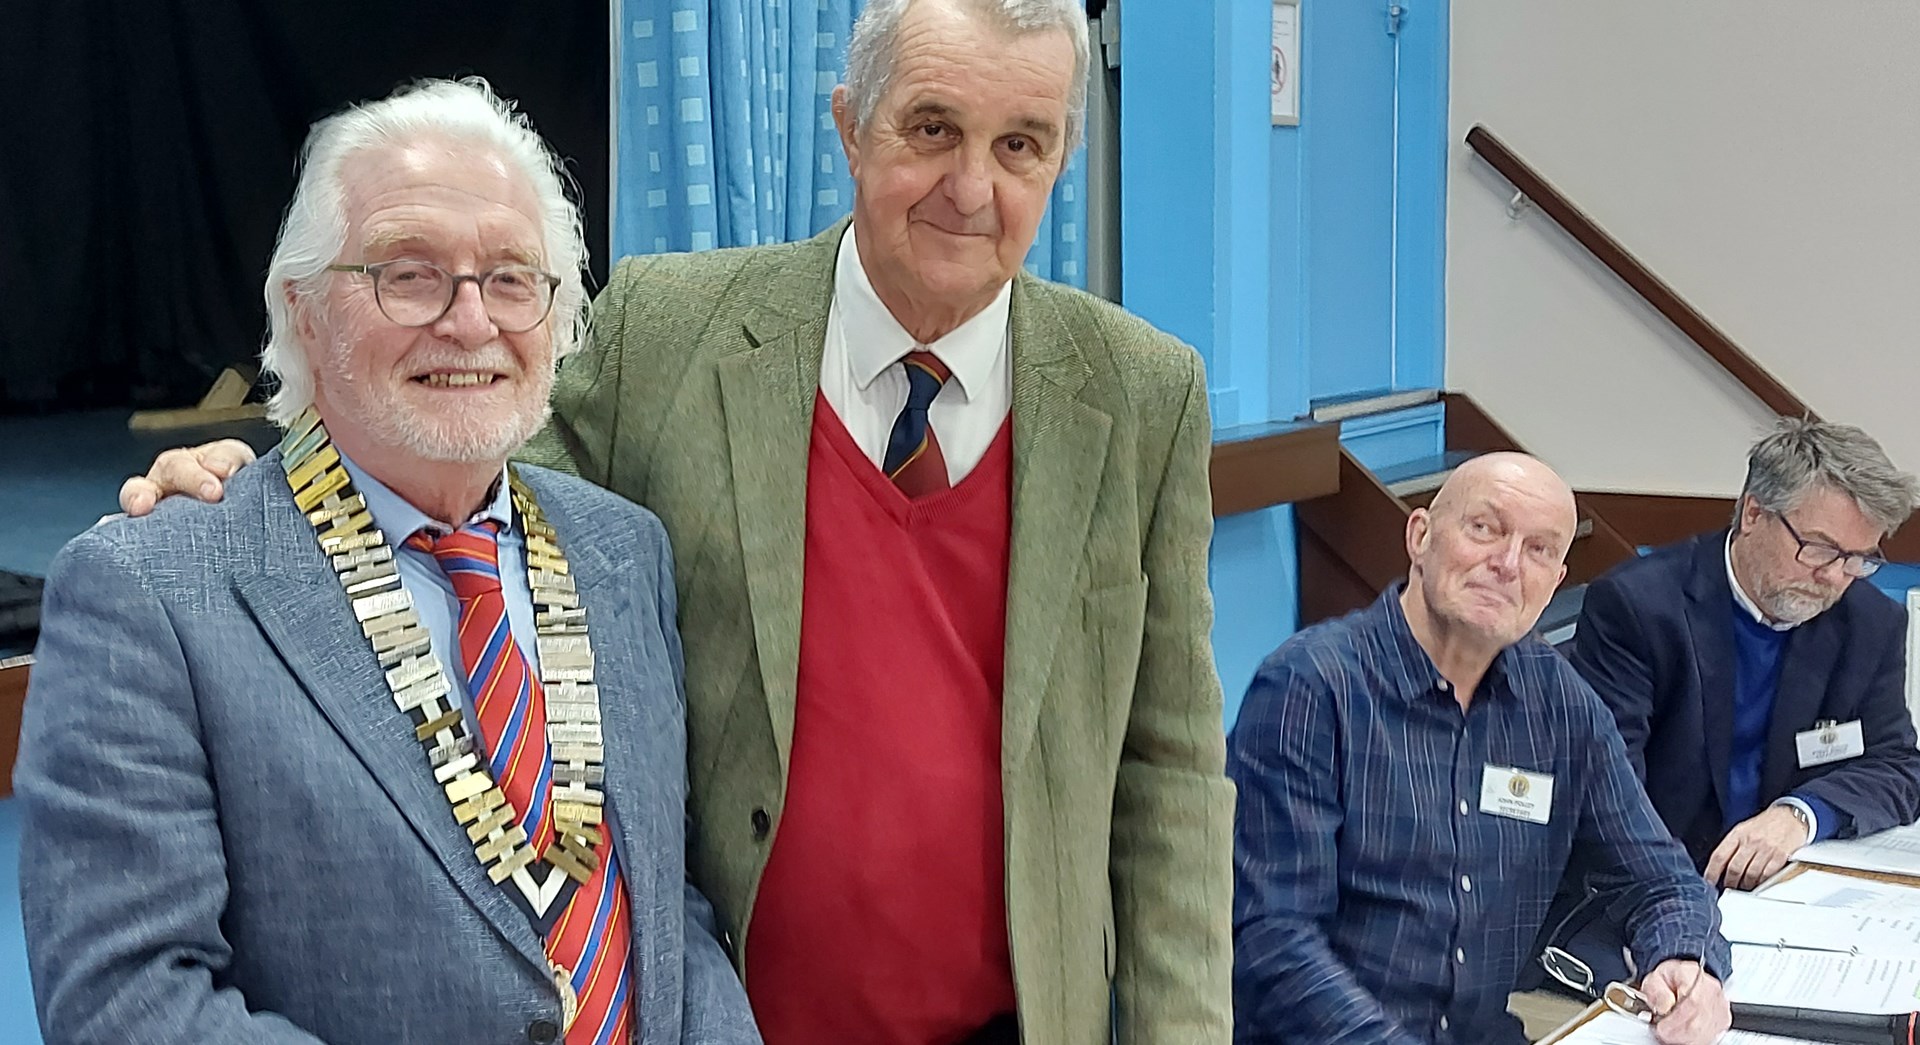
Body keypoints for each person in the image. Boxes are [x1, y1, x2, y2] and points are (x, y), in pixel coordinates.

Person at [118, 1, 1234, 1041]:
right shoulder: (668, 333)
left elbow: (1172, 775)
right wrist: (270, 485)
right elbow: (451, 464)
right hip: (724, 1010)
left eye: (1021, 145)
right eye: (932, 128)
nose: (971, 188)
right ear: (851, 128)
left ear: (1060, 162)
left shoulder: (1141, 397)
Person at [21, 79, 759, 1045]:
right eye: (407, 274)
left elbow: (663, 914)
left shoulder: (623, 550)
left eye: (510, 277)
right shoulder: (150, 592)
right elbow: (125, 1002)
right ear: (304, 310)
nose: (468, 321)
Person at [1230, 453, 1731, 1045]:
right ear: (1420, 536)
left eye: (1540, 549)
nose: (1508, 564)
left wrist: (1686, 962)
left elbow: (1661, 878)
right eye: (1485, 529)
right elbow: (1274, 940)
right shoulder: (1311, 688)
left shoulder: (1557, 703)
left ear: (1556, 580)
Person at [1537, 419, 1920, 985]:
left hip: (1782, 896)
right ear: (1754, 514)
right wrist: (1681, 916)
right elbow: (1610, 796)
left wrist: (1800, 816)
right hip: (1645, 889)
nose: (1837, 578)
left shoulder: (1869, 622)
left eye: (1859, 558)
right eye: (1820, 550)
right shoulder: (1641, 608)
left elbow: (1897, 764)